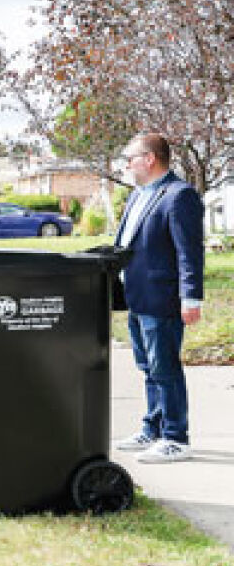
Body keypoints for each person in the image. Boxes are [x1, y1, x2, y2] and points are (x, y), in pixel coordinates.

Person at [112, 132, 204, 464]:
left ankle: (176, 438)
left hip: (163, 298)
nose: (126, 164)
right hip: (137, 297)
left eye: (130, 158)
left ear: (149, 159)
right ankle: (152, 428)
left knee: (164, 368)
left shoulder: (179, 196)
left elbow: (189, 252)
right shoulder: (139, 195)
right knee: (148, 367)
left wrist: (191, 297)